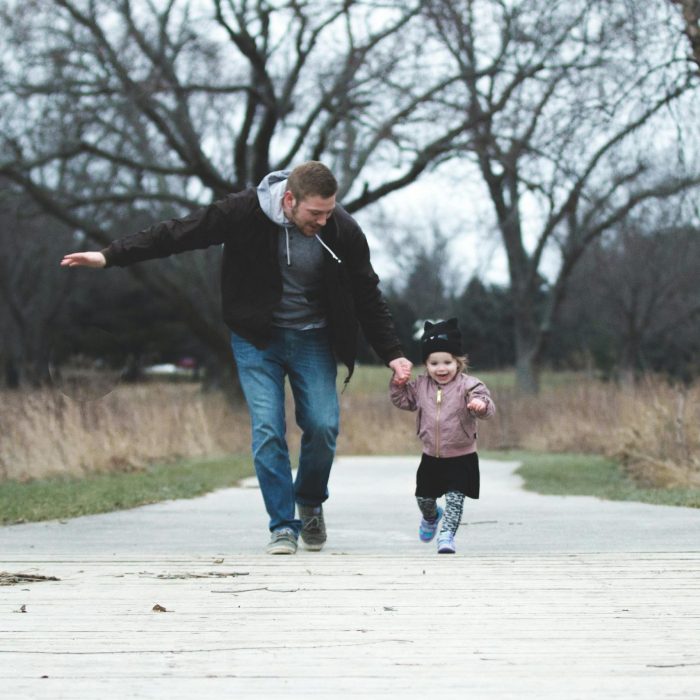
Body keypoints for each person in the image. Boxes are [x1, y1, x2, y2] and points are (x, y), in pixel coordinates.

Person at [61, 161, 412, 555]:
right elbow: (179, 233)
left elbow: (367, 293)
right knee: (267, 430)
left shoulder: (341, 229)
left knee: (323, 425)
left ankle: (310, 500)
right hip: (256, 337)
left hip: (312, 337)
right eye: (315, 213)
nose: (323, 220)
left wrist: (393, 355)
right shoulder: (243, 211)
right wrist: (110, 256)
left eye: (329, 211)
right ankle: (283, 525)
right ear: (289, 199)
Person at [389, 318, 495, 554]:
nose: (441, 368)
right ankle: (431, 516)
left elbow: (488, 406)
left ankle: (446, 537)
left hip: (462, 456)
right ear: (426, 365)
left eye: (447, 362)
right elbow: (402, 401)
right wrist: (398, 384)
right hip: (431, 457)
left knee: (455, 501)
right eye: (434, 363)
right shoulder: (420, 386)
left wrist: (480, 404)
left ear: (458, 362)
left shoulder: (469, 386)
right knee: (424, 499)